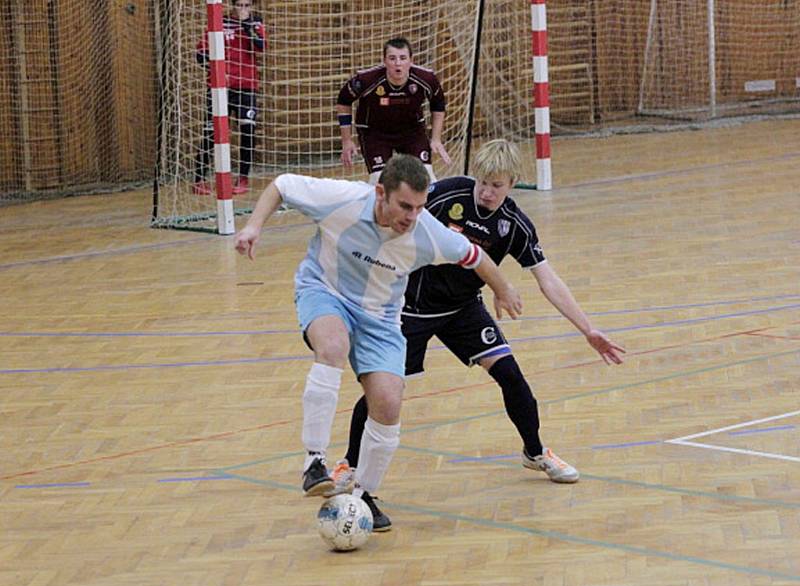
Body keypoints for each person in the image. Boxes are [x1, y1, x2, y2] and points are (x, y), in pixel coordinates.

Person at [329, 140, 626, 531]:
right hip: (410, 309)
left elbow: (547, 279)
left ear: (513, 184)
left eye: (497, 186)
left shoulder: (513, 224)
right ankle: (349, 464)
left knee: (510, 375)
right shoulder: (443, 194)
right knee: (383, 391)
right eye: (483, 182)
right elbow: (389, 215)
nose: (487, 192)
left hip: (464, 310)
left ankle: (535, 453)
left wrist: (588, 329)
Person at [233, 154, 523, 528]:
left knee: (387, 402)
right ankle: (314, 461)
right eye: (404, 205)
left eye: (419, 207)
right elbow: (282, 184)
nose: (412, 216)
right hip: (325, 290)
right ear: (380, 193)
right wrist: (254, 226)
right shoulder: (344, 199)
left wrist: (503, 288)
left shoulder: (425, 232)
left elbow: (474, 255)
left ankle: (361, 496)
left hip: (381, 318)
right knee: (333, 346)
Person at [336, 37, 451, 186]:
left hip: (412, 132)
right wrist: (346, 140)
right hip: (375, 134)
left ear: (411, 60)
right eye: (392, 58)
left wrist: (436, 139)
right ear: (384, 61)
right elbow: (343, 101)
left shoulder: (426, 78)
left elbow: (438, 104)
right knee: (380, 182)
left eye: (403, 58)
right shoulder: (366, 80)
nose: (398, 63)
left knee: (425, 179)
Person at [193, 0, 266, 196]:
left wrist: (245, 23)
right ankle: (199, 179)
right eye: (239, 5)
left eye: (247, 5)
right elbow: (200, 55)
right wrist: (216, 71)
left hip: (246, 87)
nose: (243, 9)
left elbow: (260, 46)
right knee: (212, 132)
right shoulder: (219, 23)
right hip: (219, 89)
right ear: (231, 5)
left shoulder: (256, 23)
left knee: (247, 131)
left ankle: (242, 178)